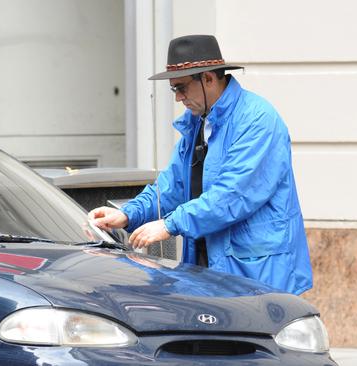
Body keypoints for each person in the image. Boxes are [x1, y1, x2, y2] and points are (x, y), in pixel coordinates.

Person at [88, 35, 312, 295]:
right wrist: (128, 214)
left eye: (181, 87)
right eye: (174, 89)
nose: (178, 98)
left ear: (208, 78)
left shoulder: (258, 119)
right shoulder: (198, 121)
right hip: (214, 267)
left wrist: (169, 225)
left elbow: (233, 195)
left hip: (257, 273)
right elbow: (171, 185)